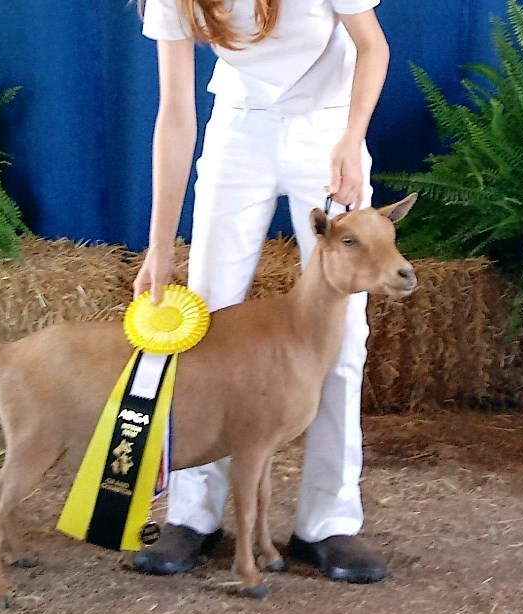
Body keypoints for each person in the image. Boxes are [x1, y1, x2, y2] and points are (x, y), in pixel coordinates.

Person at [133, 0, 391, 583]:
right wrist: (159, 248)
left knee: (341, 339)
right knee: (203, 325)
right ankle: (192, 516)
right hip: (240, 127)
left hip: (330, 127)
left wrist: (353, 139)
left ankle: (329, 522)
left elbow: (373, 47)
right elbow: (175, 113)